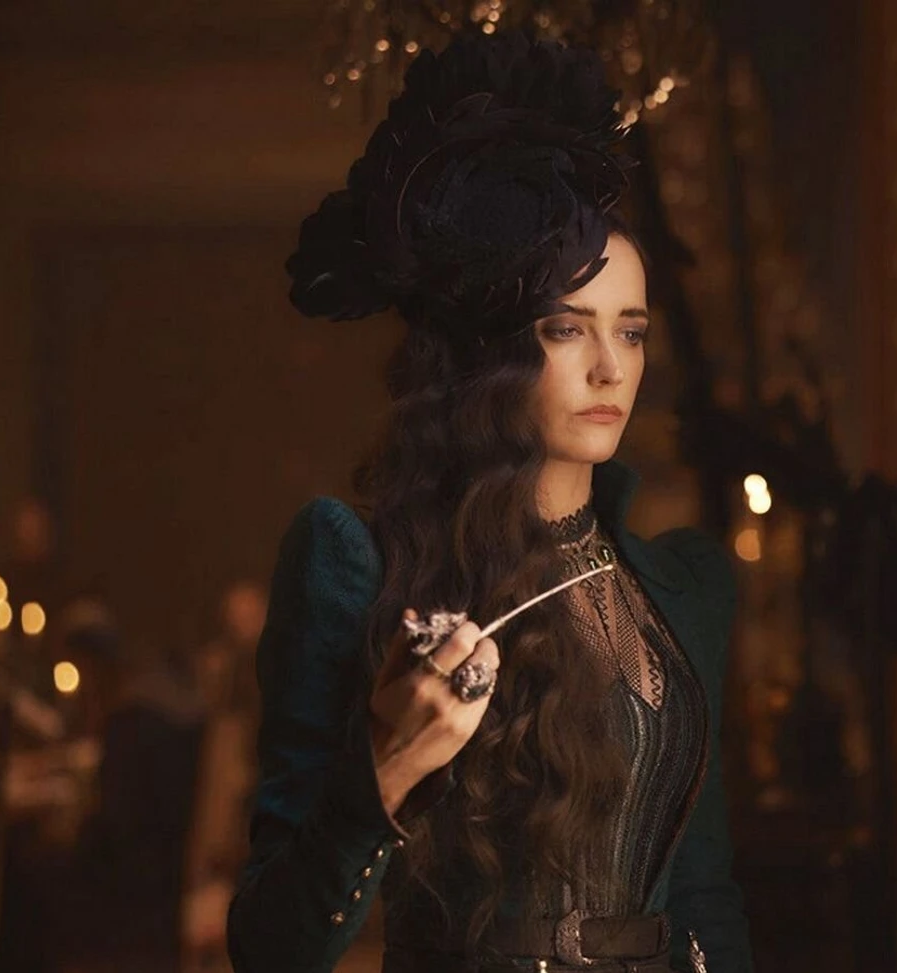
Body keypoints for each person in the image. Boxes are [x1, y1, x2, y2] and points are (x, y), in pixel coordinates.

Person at [226, 28, 753, 973]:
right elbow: (270, 946)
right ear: (492, 346)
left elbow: (707, 895)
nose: (610, 368)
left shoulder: (684, 588)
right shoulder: (359, 564)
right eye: (566, 328)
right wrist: (388, 763)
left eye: (632, 331)